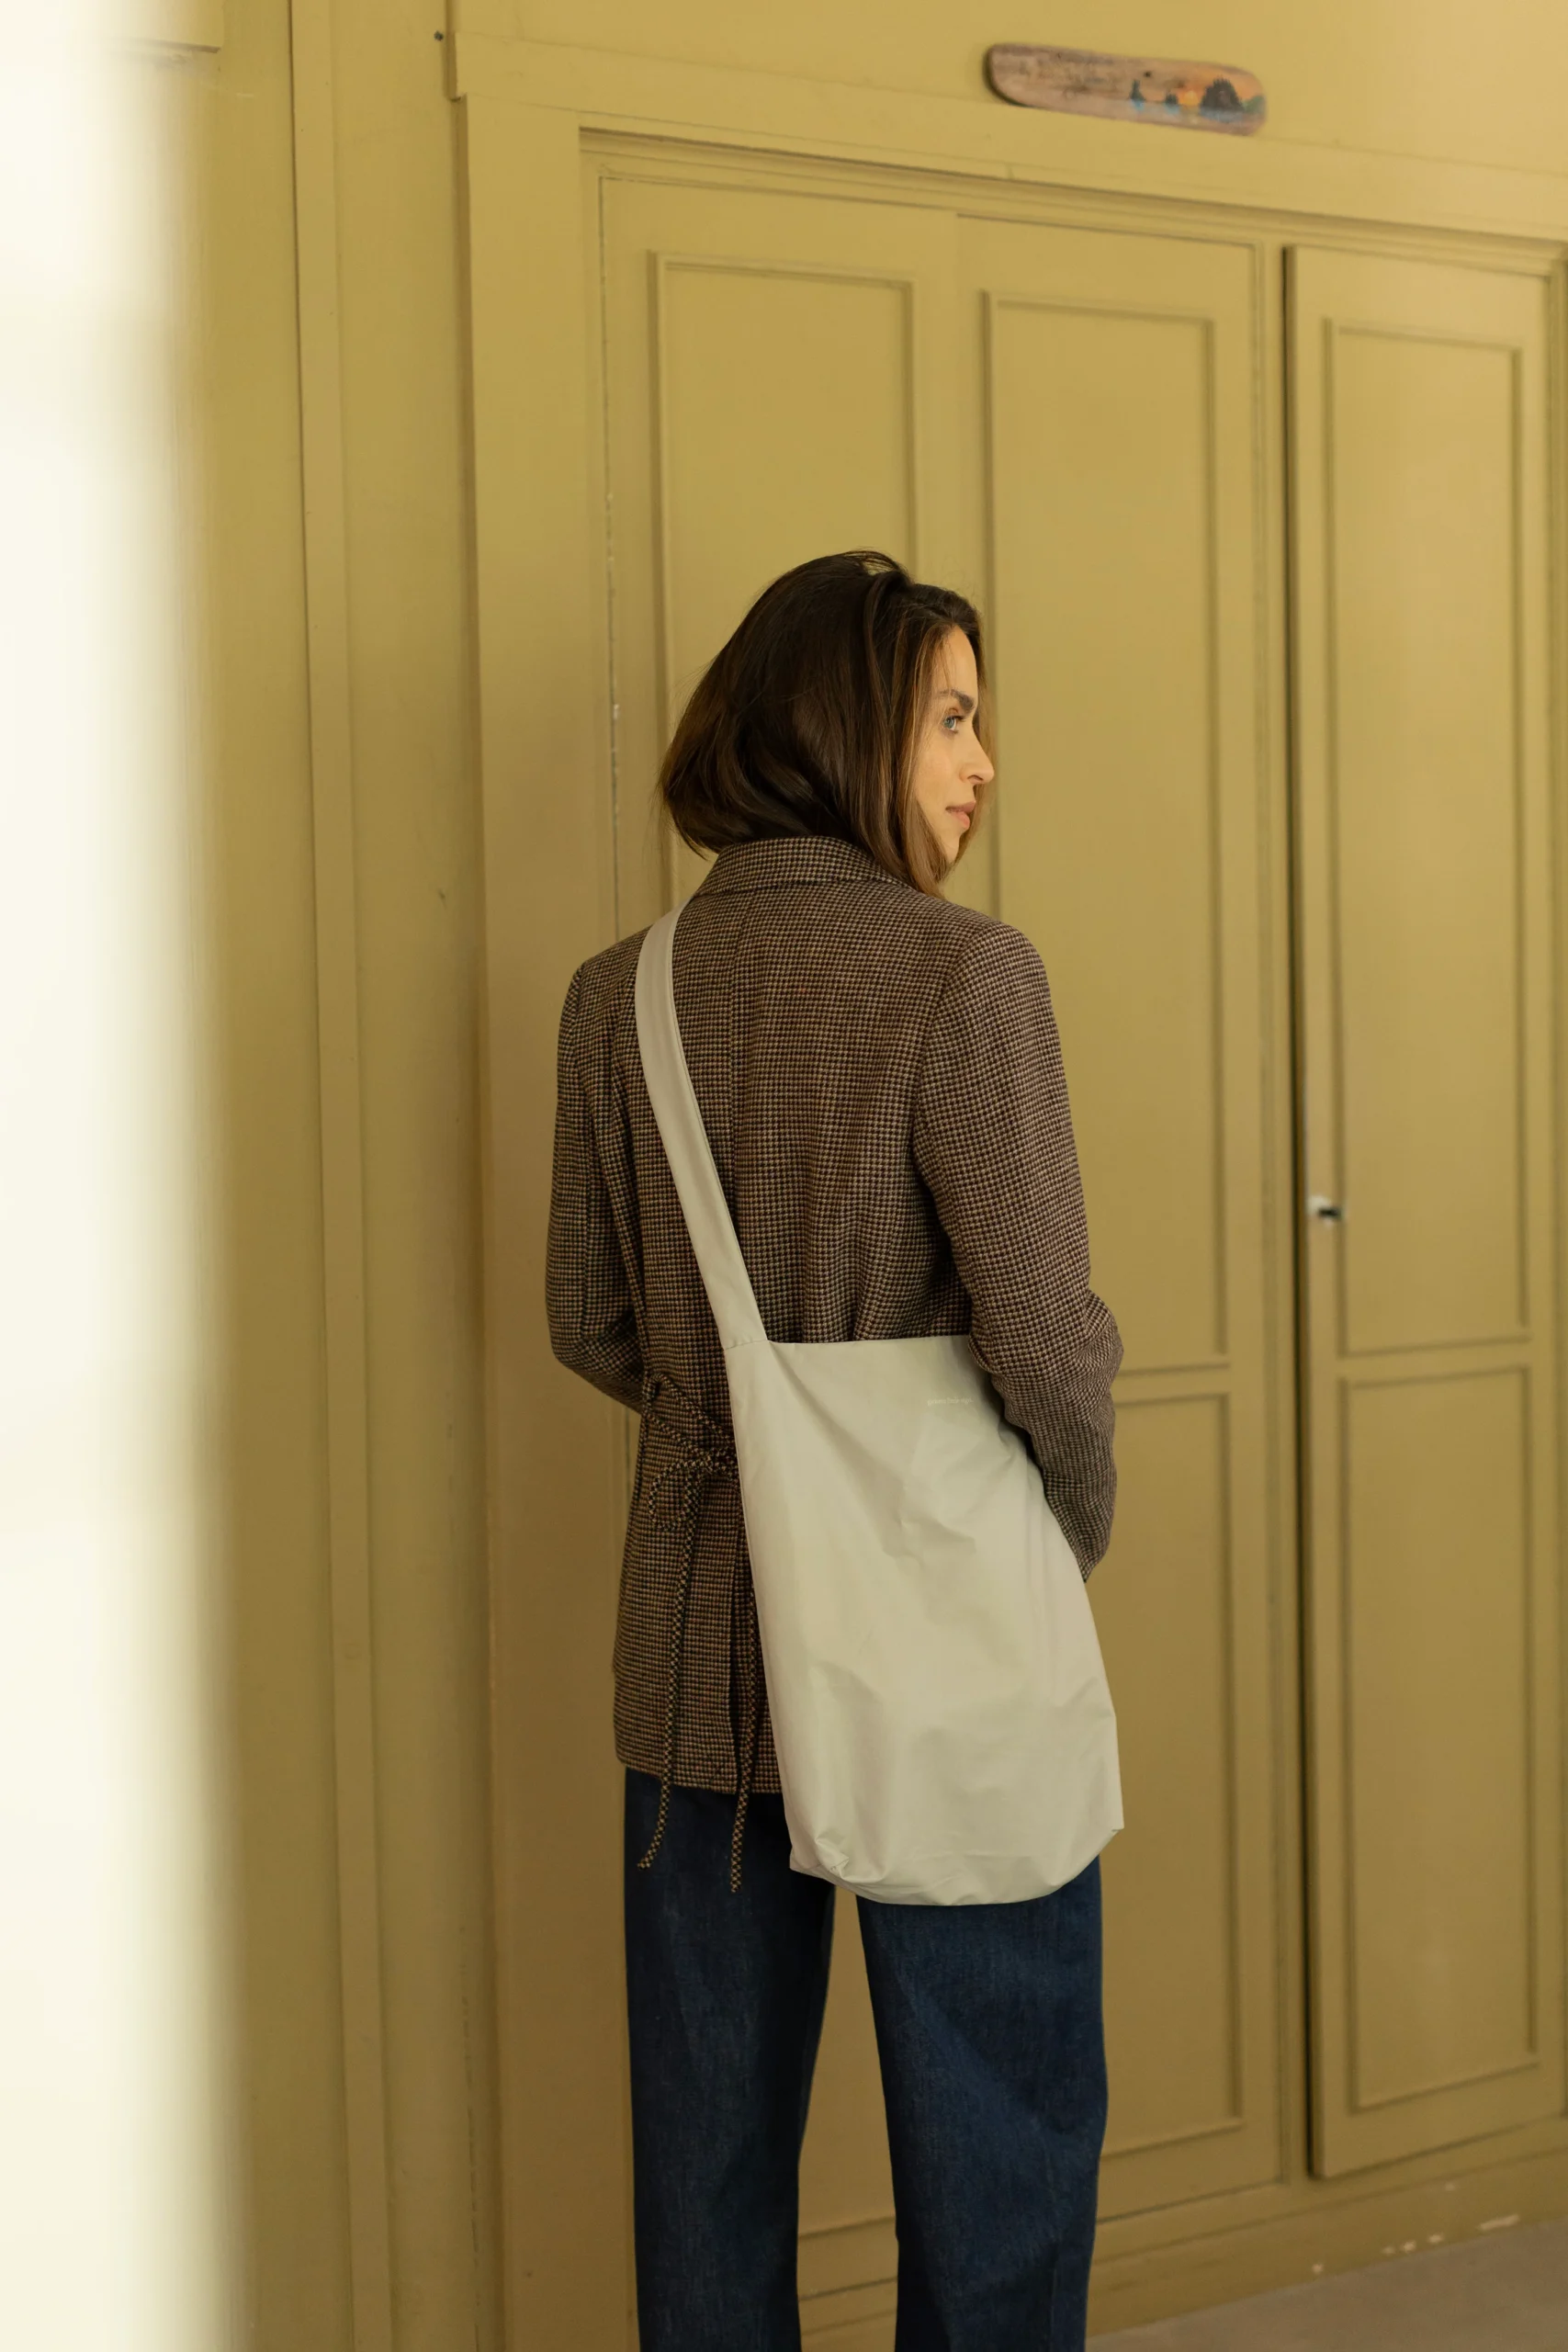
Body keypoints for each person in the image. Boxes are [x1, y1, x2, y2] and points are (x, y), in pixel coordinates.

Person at [547, 548, 1122, 2351]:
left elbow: (593, 1319)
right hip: (941, 1651)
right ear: (845, 724)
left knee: (707, 2182)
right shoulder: (967, 977)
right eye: (951, 712)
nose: (982, 759)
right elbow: (1046, 1342)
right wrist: (1055, 1537)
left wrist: (747, 1447)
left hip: (695, 1670)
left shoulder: (616, 992)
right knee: (1002, 2158)